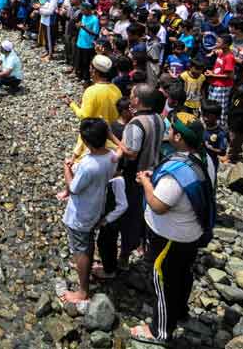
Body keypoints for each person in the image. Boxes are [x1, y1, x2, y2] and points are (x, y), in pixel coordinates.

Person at [131, 114, 215, 345]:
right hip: (190, 234)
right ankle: (180, 312)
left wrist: (146, 183)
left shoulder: (177, 172)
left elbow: (158, 205)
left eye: (172, 129)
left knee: (163, 280)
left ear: (178, 137)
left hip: (170, 236)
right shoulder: (204, 159)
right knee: (181, 275)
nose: (168, 130)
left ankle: (160, 331)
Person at [57, 118, 118, 304]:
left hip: (81, 212)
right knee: (88, 242)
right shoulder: (112, 156)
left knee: (81, 248)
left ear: (86, 142)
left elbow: (74, 188)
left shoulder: (89, 165)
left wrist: (66, 169)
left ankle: (82, 291)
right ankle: (86, 267)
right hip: (97, 207)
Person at [117, 84, 165, 266]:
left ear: (137, 100)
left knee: (130, 215)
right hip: (153, 170)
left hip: (136, 174)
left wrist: (116, 141)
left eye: (131, 95)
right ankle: (144, 247)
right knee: (145, 211)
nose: (129, 98)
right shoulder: (159, 118)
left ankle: (124, 256)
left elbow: (132, 152)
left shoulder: (135, 123)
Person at [67, 55, 121, 162]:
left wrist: (72, 105)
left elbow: (84, 116)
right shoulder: (116, 90)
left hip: (94, 142)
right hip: (112, 141)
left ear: (94, 71)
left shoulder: (91, 91)